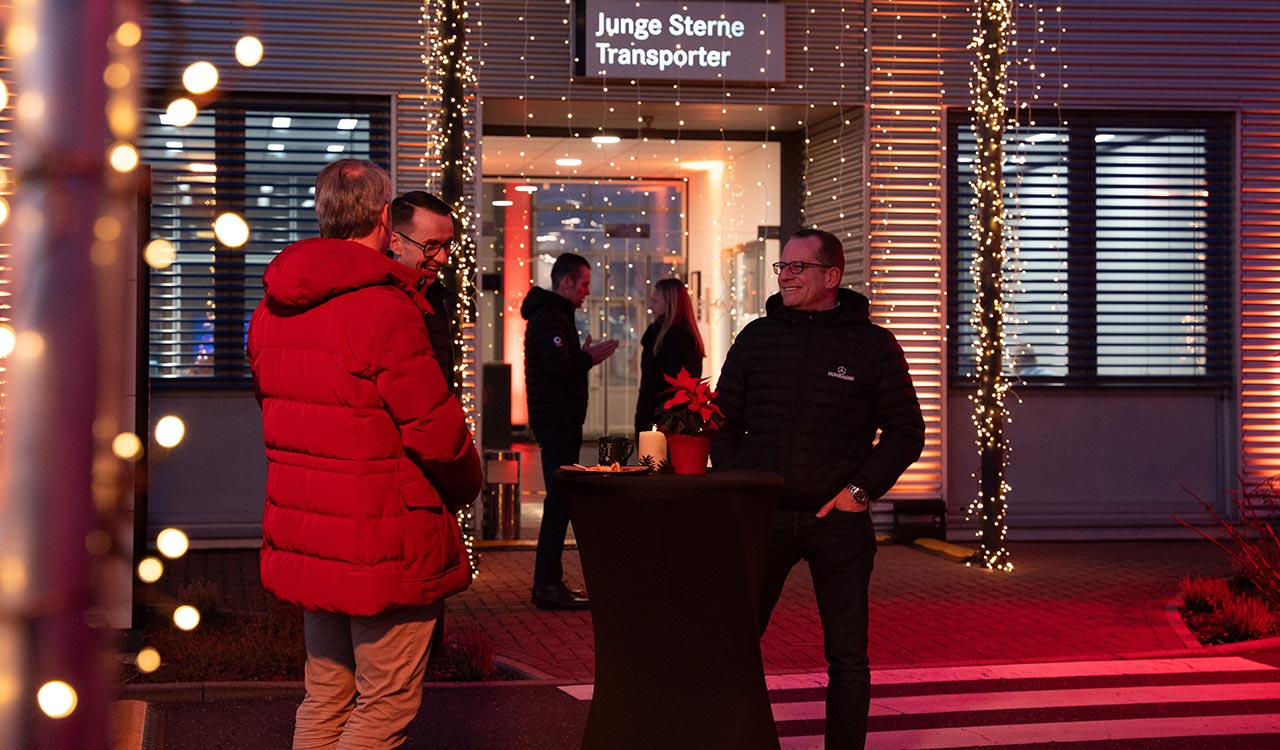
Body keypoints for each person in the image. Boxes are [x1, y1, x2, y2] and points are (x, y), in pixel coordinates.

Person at [247, 158, 482, 749]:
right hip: (385, 536)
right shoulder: (384, 308)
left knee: (325, 695)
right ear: (384, 216)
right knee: (383, 707)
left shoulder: (271, 310)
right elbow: (435, 431)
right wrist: (463, 485)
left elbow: (277, 410)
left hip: (311, 530)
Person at [711, 228, 925, 750]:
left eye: (797, 267)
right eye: (781, 267)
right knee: (732, 645)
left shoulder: (872, 345)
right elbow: (722, 420)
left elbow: (906, 430)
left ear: (831, 276)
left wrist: (860, 489)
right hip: (763, 516)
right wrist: (742, 486)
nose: (784, 275)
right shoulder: (757, 337)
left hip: (839, 521)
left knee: (848, 657)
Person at [521, 252, 619, 610]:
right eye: (583, 284)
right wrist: (587, 358)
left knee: (561, 501)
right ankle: (547, 585)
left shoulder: (554, 315)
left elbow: (560, 364)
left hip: (559, 419)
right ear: (565, 282)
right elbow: (558, 367)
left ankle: (549, 582)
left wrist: (583, 356)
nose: (585, 293)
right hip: (557, 421)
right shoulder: (550, 316)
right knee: (560, 502)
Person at [390, 190, 459, 390]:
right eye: (431, 246)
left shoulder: (434, 298)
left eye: (447, 245)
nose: (443, 258)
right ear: (396, 243)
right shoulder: (377, 301)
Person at [634, 277, 705, 436]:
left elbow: (677, 384)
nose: (651, 306)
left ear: (670, 304)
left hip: (663, 420)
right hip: (663, 418)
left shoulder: (675, 338)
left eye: (655, 301)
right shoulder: (666, 335)